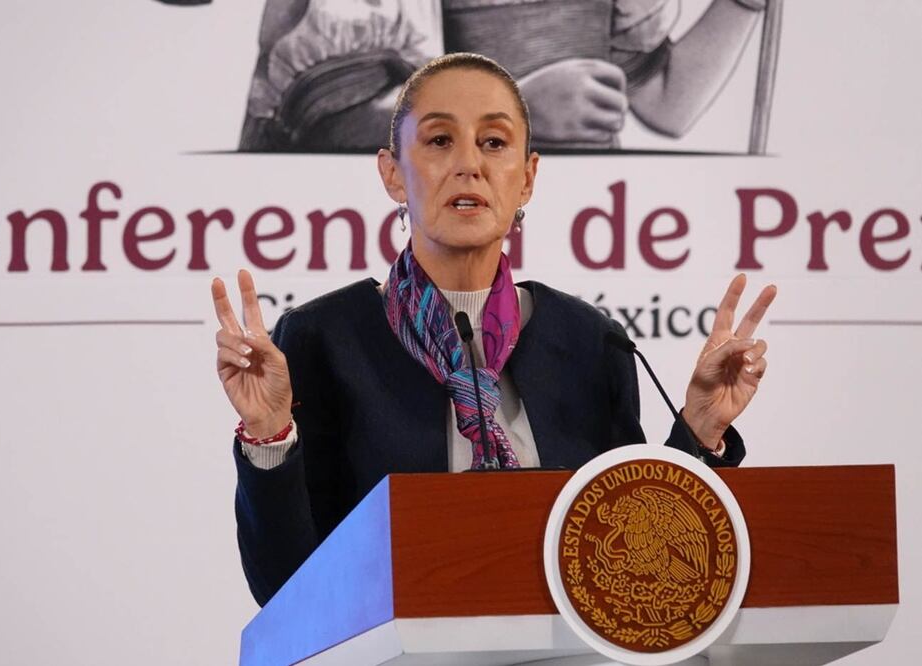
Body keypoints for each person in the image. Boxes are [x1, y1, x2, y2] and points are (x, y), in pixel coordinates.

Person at [214, 53, 776, 606]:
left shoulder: (588, 340)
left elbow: (637, 551)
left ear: (528, 177)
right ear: (391, 173)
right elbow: (284, 590)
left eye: (494, 143)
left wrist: (699, 431)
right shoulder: (323, 339)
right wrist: (268, 435)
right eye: (439, 141)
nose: (469, 166)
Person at [239, 0, 768, 152]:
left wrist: (742, 5)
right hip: (417, 258)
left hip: (578, 240)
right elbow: (329, 129)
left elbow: (664, 103)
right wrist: (514, 111)